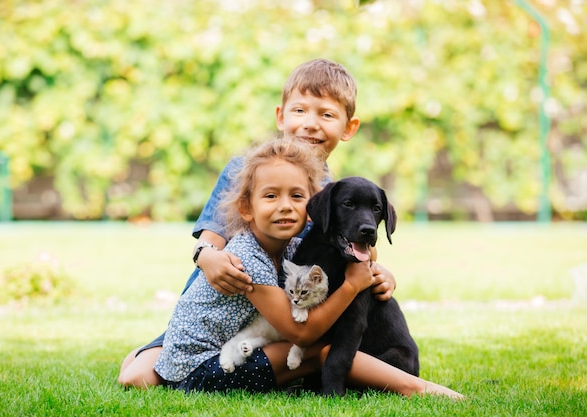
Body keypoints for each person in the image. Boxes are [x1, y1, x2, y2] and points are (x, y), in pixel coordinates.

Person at [119, 59, 397, 388]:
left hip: (280, 314)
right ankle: (152, 349)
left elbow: (353, 250)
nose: (311, 124)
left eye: (326, 114)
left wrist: (379, 272)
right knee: (136, 378)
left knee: (312, 345)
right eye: (300, 111)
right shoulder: (247, 169)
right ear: (281, 116)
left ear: (348, 128)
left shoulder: (335, 191)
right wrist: (208, 258)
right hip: (223, 311)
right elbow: (209, 241)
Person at [151, 138, 462, 398]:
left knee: (320, 349)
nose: (286, 206)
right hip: (200, 371)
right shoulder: (246, 255)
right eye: (271, 196)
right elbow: (301, 332)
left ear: (311, 209)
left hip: (224, 354)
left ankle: (405, 382)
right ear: (247, 208)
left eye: (297, 196)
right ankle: (416, 388)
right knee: (317, 349)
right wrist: (353, 284)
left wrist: (377, 270)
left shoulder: (292, 249)